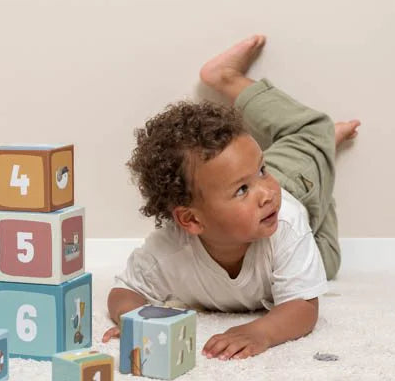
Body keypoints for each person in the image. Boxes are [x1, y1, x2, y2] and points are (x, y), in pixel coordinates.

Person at [102, 35, 359, 360]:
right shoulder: (170, 251)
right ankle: (323, 178)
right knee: (328, 264)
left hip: (295, 182)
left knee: (315, 130)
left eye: (260, 171)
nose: (265, 192)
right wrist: (135, 322)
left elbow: (303, 308)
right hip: (298, 224)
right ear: (192, 219)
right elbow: (124, 292)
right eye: (242, 190)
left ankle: (227, 79)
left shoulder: (284, 217)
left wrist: (261, 331)